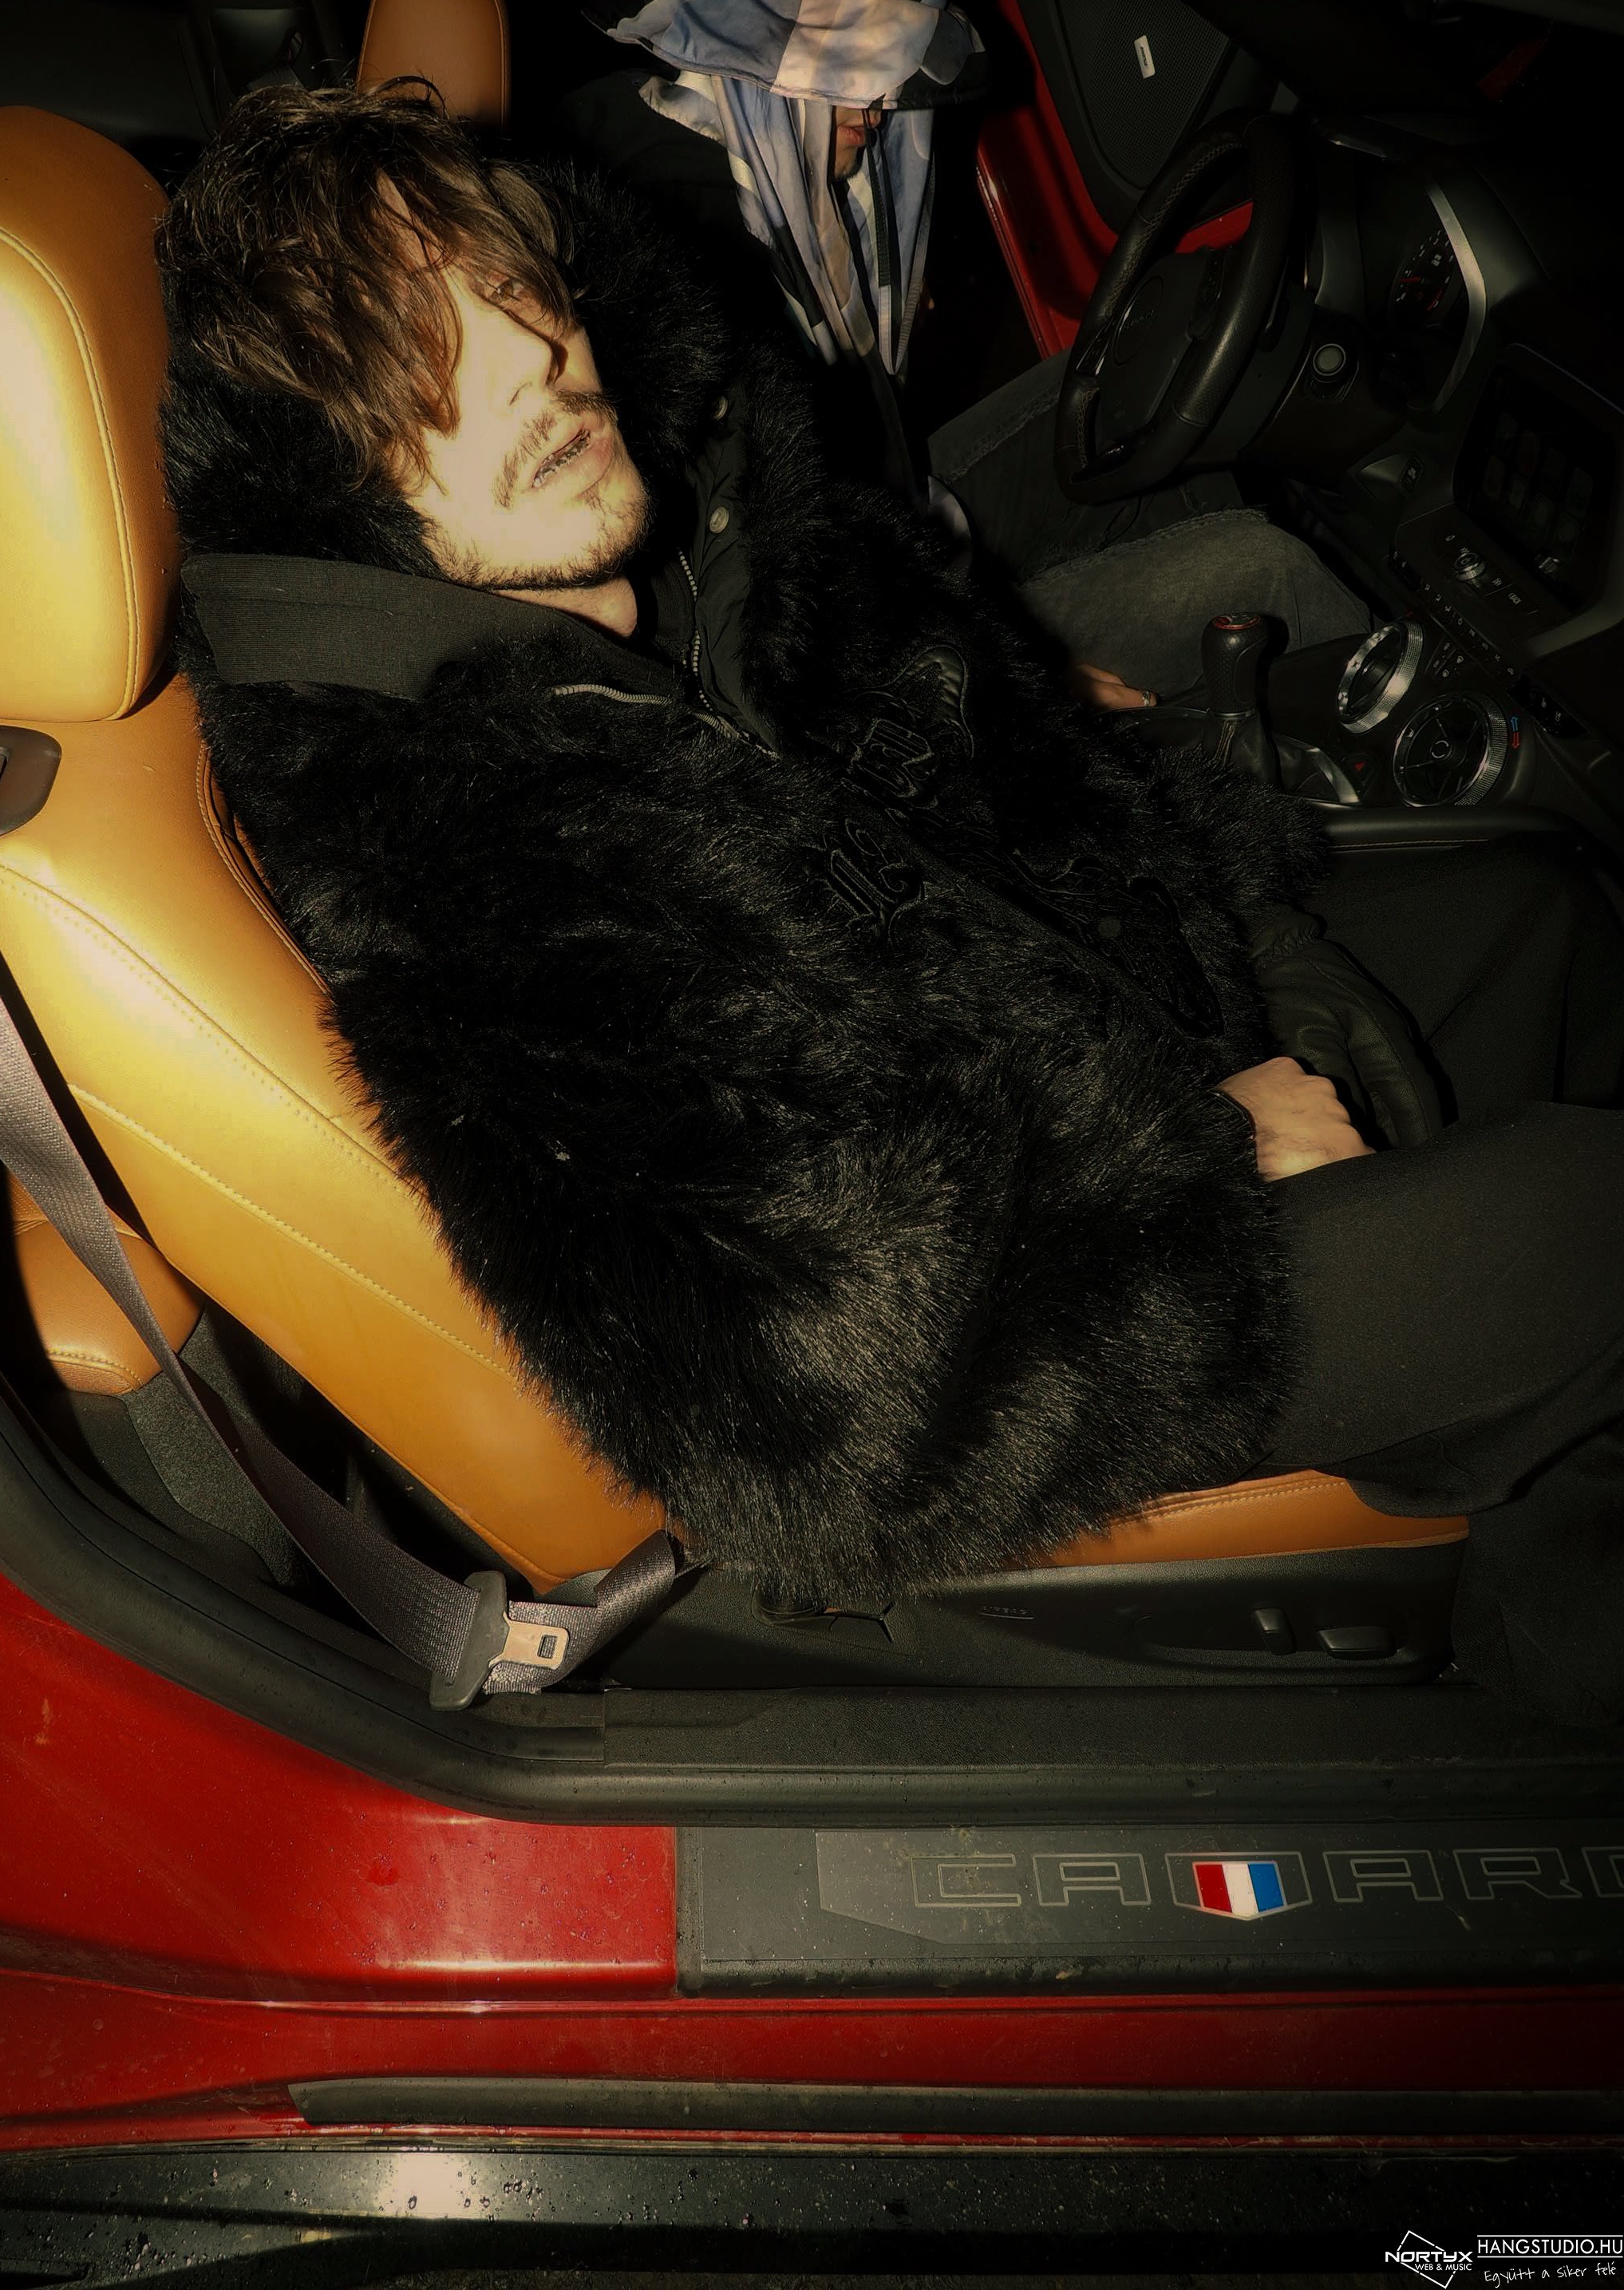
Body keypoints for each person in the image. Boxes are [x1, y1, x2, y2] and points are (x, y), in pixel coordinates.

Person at [156, 85, 1624, 1725]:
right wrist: (1217, 1156)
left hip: (1102, 1053)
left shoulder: (719, 551)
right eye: (409, 364)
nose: (531, 355)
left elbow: (1052, 804)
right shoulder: (464, 850)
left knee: (1546, 918)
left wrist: (1259, 966)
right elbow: (821, 1405)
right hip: (1084, 1305)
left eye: (512, 286)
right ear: (326, 480)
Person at [562, 0, 1370, 697]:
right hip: (865, 649)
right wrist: (1007, 684)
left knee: (1137, 398)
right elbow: (760, 614)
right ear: (773, 42)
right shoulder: (669, 238)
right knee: (1269, 576)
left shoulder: (747, 161)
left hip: (887, 516)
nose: (881, 106)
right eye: (859, 66)